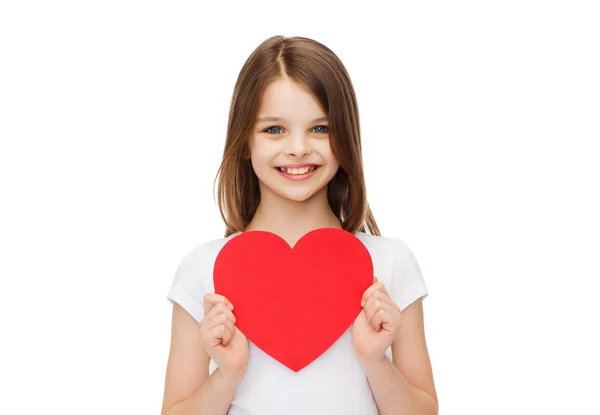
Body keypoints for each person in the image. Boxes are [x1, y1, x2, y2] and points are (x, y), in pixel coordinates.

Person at [161, 35, 438, 415]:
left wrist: (375, 360)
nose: (297, 148)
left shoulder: (389, 262)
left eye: (320, 129)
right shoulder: (203, 269)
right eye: (274, 129)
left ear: (346, 136)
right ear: (244, 141)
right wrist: (226, 373)